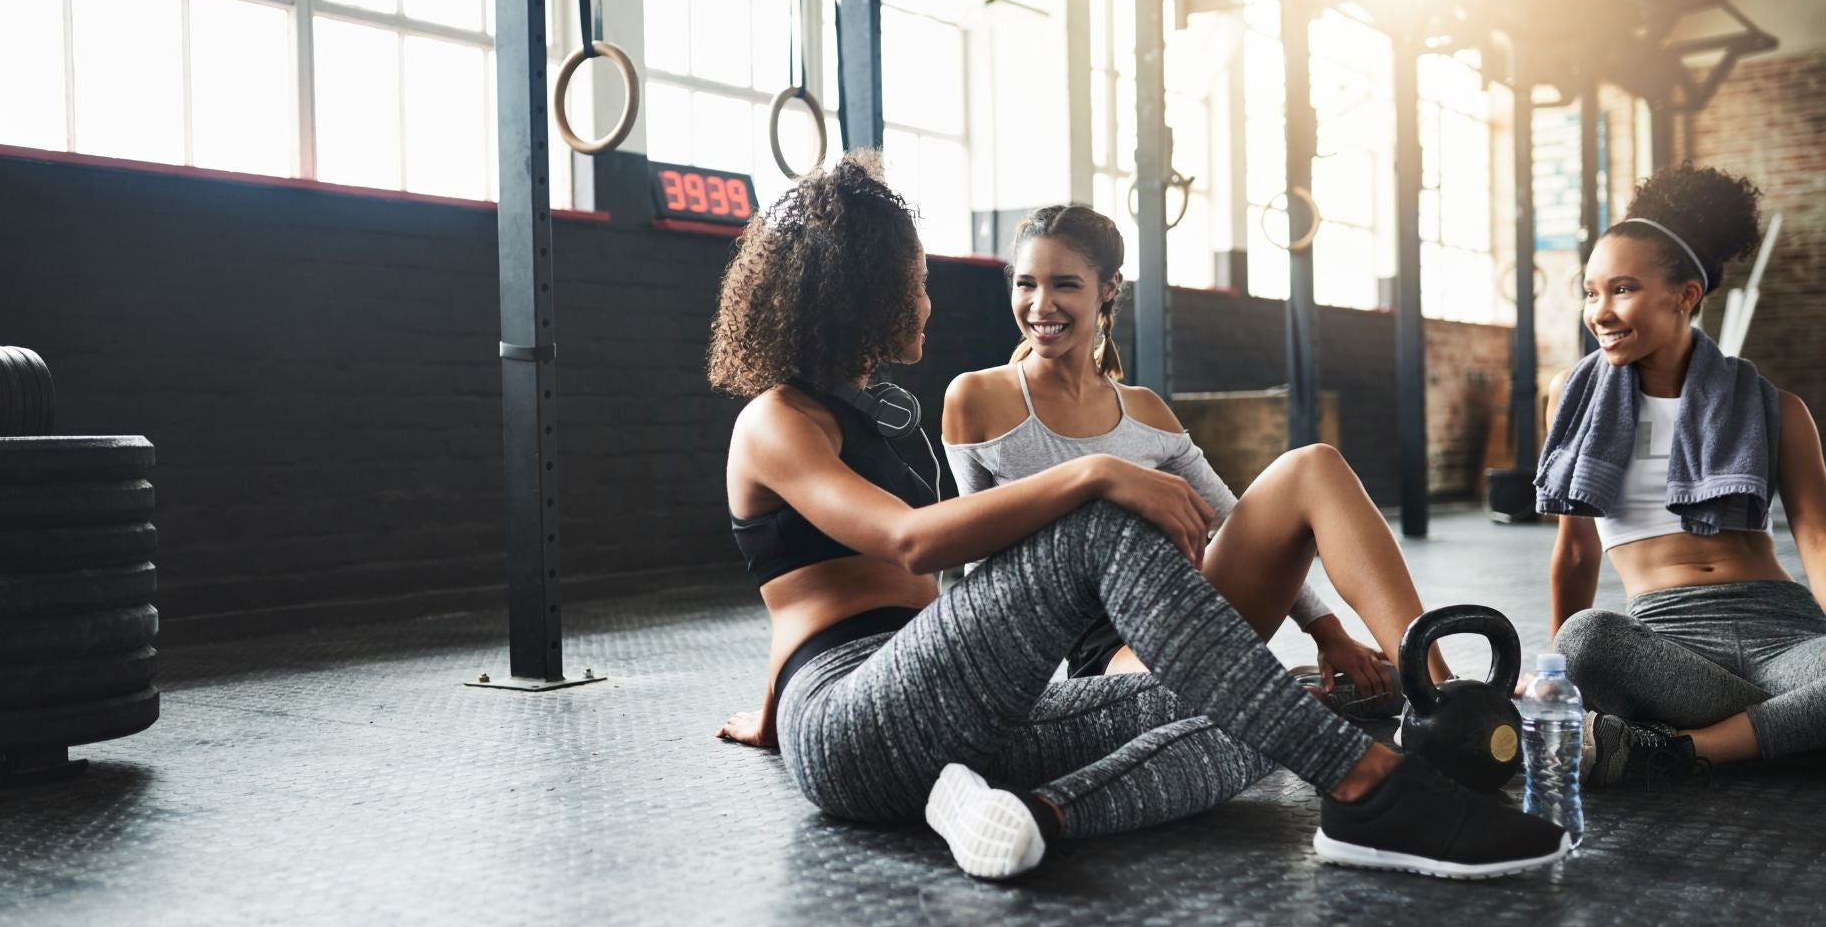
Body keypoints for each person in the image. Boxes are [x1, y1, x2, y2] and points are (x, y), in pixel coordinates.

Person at [711, 152, 1563, 881]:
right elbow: (905, 543)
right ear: (866, 293)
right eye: (917, 282)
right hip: (854, 728)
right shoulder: (775, 421)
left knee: (1249, 708)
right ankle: (1371, 787)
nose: (928, 300)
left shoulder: (870, 414)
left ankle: (1028, 817)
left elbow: (822, 588)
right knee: (1098, 517)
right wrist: (1095, 472)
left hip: (950, 714)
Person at [942, 204, 1453, 713]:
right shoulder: (977, 399)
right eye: (1027, 283)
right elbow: (974, 556)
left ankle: (1443, 691)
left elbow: (1238, 523)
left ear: (1109, 287)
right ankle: (1264, 697)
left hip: (1183, 610)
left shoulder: (1146, 412)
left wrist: (1327, 631)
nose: (1041, 304)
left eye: (1066, 285)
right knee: (1183, 692)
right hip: (1105, 653)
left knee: (1313, 465)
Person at [1539, 164, 1826, 785]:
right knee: (1586, 639)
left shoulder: (1777, 408)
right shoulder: (1574, 397)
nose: (1600, 312)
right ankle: (1777, 730)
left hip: (1786, 629)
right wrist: (1555, 674)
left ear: (1686, 295)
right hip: (1670, 638)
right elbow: (1575, 551)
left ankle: (1673, 749)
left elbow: (1820, 542)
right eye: (1590, 292)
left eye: (1621, 289)